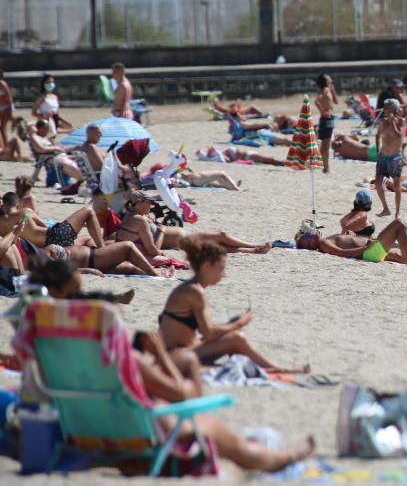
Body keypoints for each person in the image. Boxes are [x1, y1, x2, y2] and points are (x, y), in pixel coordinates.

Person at [131, 328, 316, 473]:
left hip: (120, 439)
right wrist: (160, 354)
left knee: (187, 359)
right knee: (238, 447)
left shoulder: (108, 367)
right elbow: (182, 393)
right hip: (168, 433)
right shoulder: (133, 362)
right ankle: (285, 459)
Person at [159, 237, 308, 373]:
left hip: (181, 351)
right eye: (221, 268)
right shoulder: (194, 292)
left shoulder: (192, 289)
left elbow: (205, 332)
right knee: (237, 338)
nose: (224, 275)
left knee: (232, 333)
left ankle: (263, 368)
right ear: (206, 266)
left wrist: (231, 325)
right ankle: (276, 369)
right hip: (174, 356)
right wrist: (239, 323)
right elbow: (208, 333)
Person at [116, 190, 271, 258]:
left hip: (179, 240)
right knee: (221, 235)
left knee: (218, 245)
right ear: (140, 203)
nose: (151, 206)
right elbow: (153, 248)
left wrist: (153, 221)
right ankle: (253, 246)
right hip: (180, 240)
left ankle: (253, 250)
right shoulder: (138, 219)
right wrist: (162, 230)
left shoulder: (137, 215)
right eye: (148, 203)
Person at [300, 218, 407, 265]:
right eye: (307, 238)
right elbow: (342, 253)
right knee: (399, 224)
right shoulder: (324, 243)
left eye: (308, 236)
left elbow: (344, 245)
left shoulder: (326, 240)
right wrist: (364, 248)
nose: (310, 238)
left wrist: (351, 236)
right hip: (368, 251)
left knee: (396, 255)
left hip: (371, 251)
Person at [0, 192, 103, 249]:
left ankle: (99, 250)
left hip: (43, 247)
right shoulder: (25, 212)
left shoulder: (1, 223)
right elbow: (45, 226)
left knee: (85, 239)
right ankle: (102, 248)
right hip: (54, 236)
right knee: (88, 210)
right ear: (17, 205)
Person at [374, 98, 405, 217]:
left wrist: (392, 122)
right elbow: (377, 136)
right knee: (378, 183)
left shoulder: (401, 121)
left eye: (387, 107)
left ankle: (397, 212)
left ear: (394, 109)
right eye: (385, 107)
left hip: (395, 158)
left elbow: (399, 135)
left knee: (397, 185)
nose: (385, 110)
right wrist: (377, 150)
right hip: (383, 156)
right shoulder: (383, 122)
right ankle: (385, 208)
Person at [315, 74, 339, 174]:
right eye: (329, 79)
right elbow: (316, 101)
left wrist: (333, 90)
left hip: (329, 118)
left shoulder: (328, 89)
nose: (331, 79)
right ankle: (326, 167)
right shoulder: (325, 90)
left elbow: (336, 102)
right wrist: (323, 111)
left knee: (325, 144)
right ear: (325, 81)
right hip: (327, 118)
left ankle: (325, 167)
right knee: (326, 144)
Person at [0, 69, 14, 146]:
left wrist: (10, 112)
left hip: (5, 107)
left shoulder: (2, 83)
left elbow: (9, 98)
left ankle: (6, 146)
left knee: (2, 128)